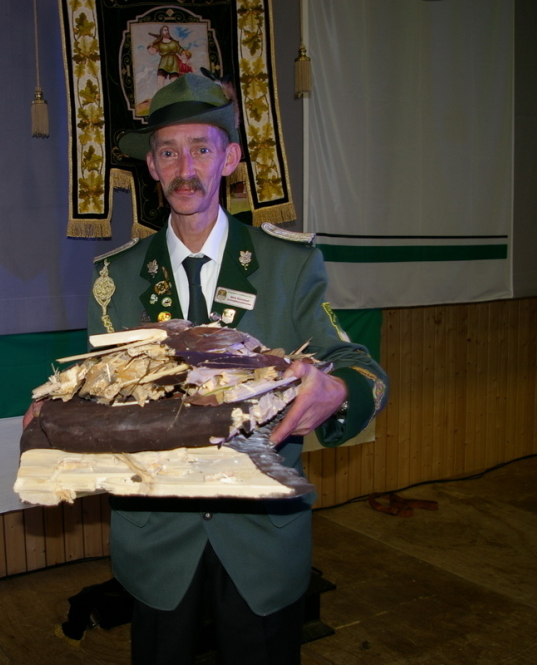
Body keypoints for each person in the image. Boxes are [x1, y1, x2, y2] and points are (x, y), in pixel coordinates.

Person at [90, 75, 388, 663]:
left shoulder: (287, 264)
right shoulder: (115, 277)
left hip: (260, 540)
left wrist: (333, 391)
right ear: (151, 167)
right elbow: (103, 390)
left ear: (229, 160)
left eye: (201, 149)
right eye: (169, 152)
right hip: (158, 540)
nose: (185, 169)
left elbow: (361, 369)